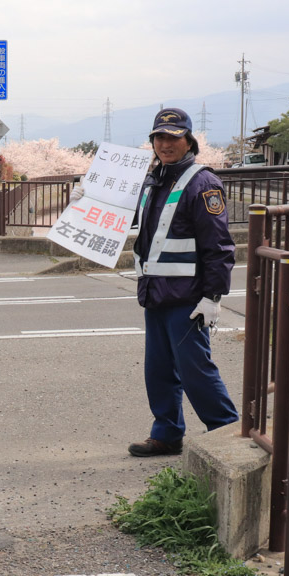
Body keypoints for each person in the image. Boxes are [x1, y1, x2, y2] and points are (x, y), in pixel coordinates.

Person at [125, 108, 239, 456]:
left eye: (173, 137)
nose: (165, 144)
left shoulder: (202, 183)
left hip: (188, 296)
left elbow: (218, 246)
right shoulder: (154, 179)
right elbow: (133, 222)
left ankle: (227, 433)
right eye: (159, 137)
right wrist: (86, 204)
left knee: (195, 371)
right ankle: (168, 433)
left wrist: (213, 296)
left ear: (189, 140)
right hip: (156, 291)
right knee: (158, 370)